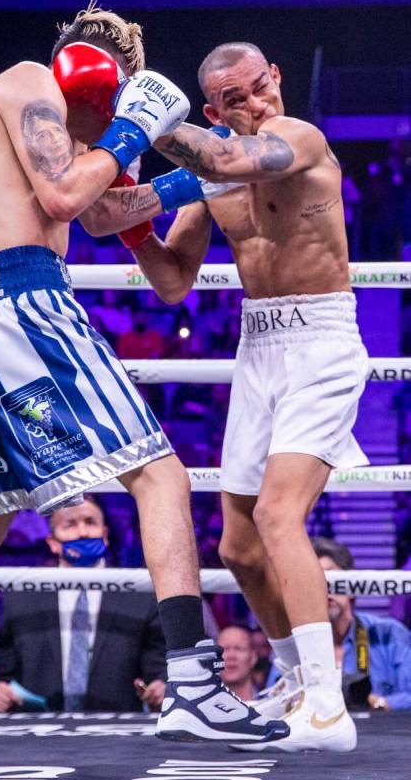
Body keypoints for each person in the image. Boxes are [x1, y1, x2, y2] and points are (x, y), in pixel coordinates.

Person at [0, 9, 286, 756]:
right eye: (110, 99)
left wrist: (200, 178)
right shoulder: (26, 83)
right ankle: (194, 684)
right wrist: (128, 130)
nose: (107, 118)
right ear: (91, 69)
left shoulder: (70, 132)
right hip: (24, 301)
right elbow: (60, 200)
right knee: (161, 478)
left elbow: (103, 211)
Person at [95, 41, 368, 752]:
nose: (252, 103)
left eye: (257, 87)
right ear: (213, 108)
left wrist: (142, 118)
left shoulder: (296, 140)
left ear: (273, 77)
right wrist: (133, 229)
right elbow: (171, 281)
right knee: (239, 547)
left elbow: (224, 161)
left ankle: (328, 707)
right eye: (234, 99)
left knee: (280, 515)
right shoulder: (208, 165)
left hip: (322, 342)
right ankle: (292, 684)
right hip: (259, 346)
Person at [0, 495, 166, 713]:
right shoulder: (23, 598)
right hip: (38, 732)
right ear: (52, 542)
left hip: (117, 732)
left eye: (90, 522)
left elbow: (157, 667)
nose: (82, 532)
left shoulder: (139, 594)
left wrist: (160, 687)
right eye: (70, 524)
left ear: (105, 535)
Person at [311, 537, 411, 711]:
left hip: (383, 734)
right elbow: (271, 697)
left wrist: (382, 703)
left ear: (350, 584)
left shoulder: (389, 633)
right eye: (315, 579)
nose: (324, 588)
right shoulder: (295, 641)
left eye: (330, 577)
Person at [217, 625, 258, 701]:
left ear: (253, 658)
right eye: (224, 649)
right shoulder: (201, 710)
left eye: (239, 649)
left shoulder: (272, 702)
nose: (231, 656)